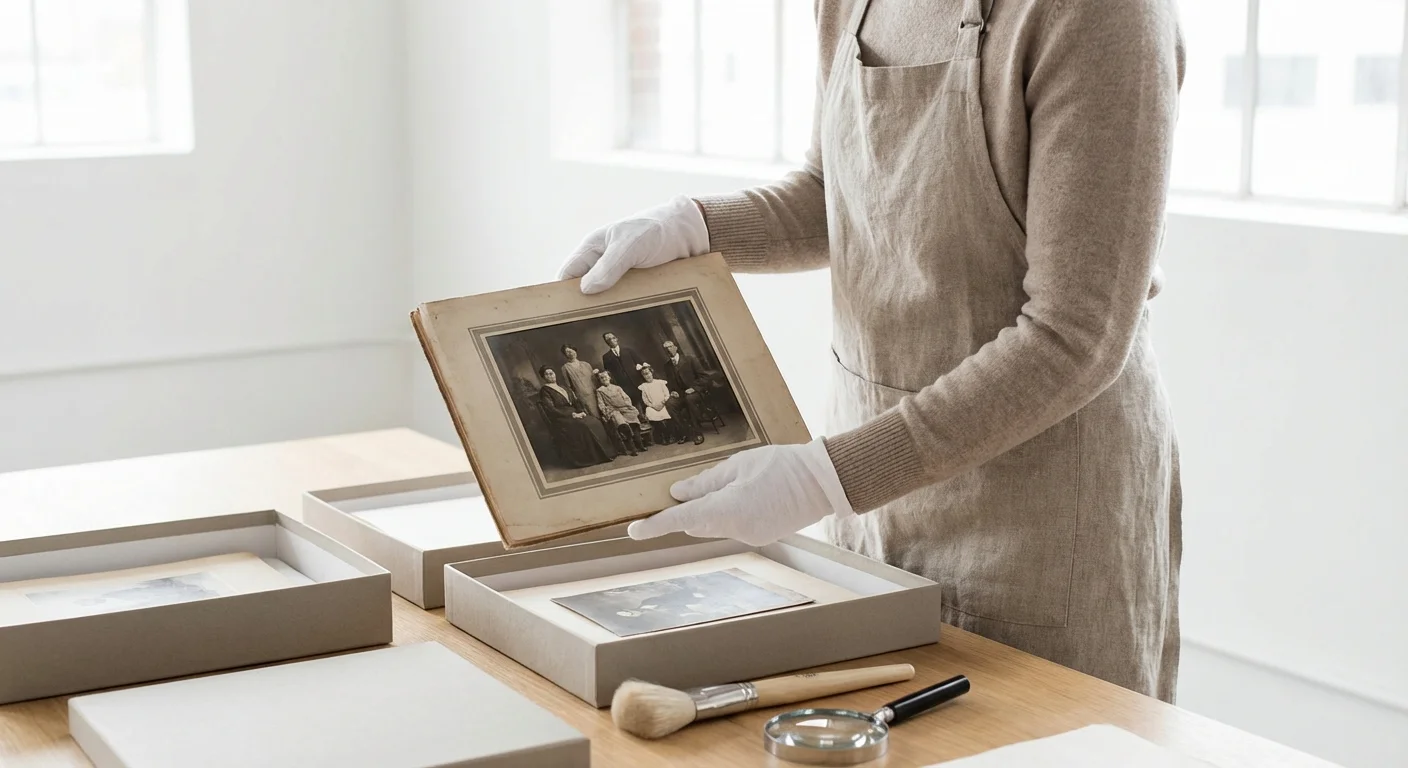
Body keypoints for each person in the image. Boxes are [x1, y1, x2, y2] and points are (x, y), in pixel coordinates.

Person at [557, 0, 1184, 702]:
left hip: (1041, 510)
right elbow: (835, 195)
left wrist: (827, 478)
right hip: (878, 495)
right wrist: (695, 226)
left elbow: (1078, 334)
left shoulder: (1101, 17)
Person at [535, 366, 614, 469]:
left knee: (594, 421)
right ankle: (594, 457)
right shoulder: (545, 391)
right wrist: (571, 415)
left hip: (574, 413)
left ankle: (608, 453)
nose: (550, 376)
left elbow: (575, 402)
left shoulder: (563, 387)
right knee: (584, 425)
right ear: (543, 377)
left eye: (552, 373)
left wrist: (581, 411)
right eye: (547, 374)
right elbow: (551, 409)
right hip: (561, 418)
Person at [662, 340, 709, 445]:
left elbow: (704, 377)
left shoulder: (690, 359)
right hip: (680, 395)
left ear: (675, 347)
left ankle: (697, 433)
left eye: (670, 347)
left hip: (695, 392)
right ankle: (685, 433)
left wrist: (693, 388)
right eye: (665, 348)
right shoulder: (667, 366)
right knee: (669, 404)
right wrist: (672, 391)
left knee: (689, 399)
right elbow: (670, 383)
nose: (668, 350)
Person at [595, 370, 646, 456]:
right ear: (600, 380)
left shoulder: (617, 388)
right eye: (601, 378)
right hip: (614, 410)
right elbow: (601, 404)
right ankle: (633, 448)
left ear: (609, 377)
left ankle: (640, 444)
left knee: (634, 421)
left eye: (605, 377)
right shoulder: (600, 391)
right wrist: (606, 411)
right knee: (623, 425)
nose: (604, 379)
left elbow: (626, 398)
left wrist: (627, 405)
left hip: (624, 408)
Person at [637, 364, 685, 445]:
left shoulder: (660, 382)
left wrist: (662, 402)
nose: (647, 376)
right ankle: (664, 436)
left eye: (648, 373)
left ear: (652, 372)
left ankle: (671, 435)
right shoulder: (644, 387)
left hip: (663, 404)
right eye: (645, 374)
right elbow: (645, 400)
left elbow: (667, 395)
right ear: (643, 376)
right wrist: (653, 406)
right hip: (653, 406)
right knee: (650, 412)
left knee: (667, 413)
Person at [600, 332, 648, 409]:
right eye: (608, 339)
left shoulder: (628, 350)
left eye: (613, 338)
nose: (611, 340)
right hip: (623, 385)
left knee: (645, 399)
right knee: (632, 403)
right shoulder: (606, 357)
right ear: (606, 342)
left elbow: (641, 363)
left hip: (637, 380)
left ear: (616, 338)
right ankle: (640, 418)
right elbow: (609, 374)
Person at [559, 345, 601, 419]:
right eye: (567, 352)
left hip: (595, 393)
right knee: (594, 416)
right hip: (583, 396)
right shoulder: (565, 368)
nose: (571, 353)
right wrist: (575, 398)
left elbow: (594, 380)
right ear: (565, 355)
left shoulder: (586, 364)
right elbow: (568, 386)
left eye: (572, 350)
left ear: (575, 350)